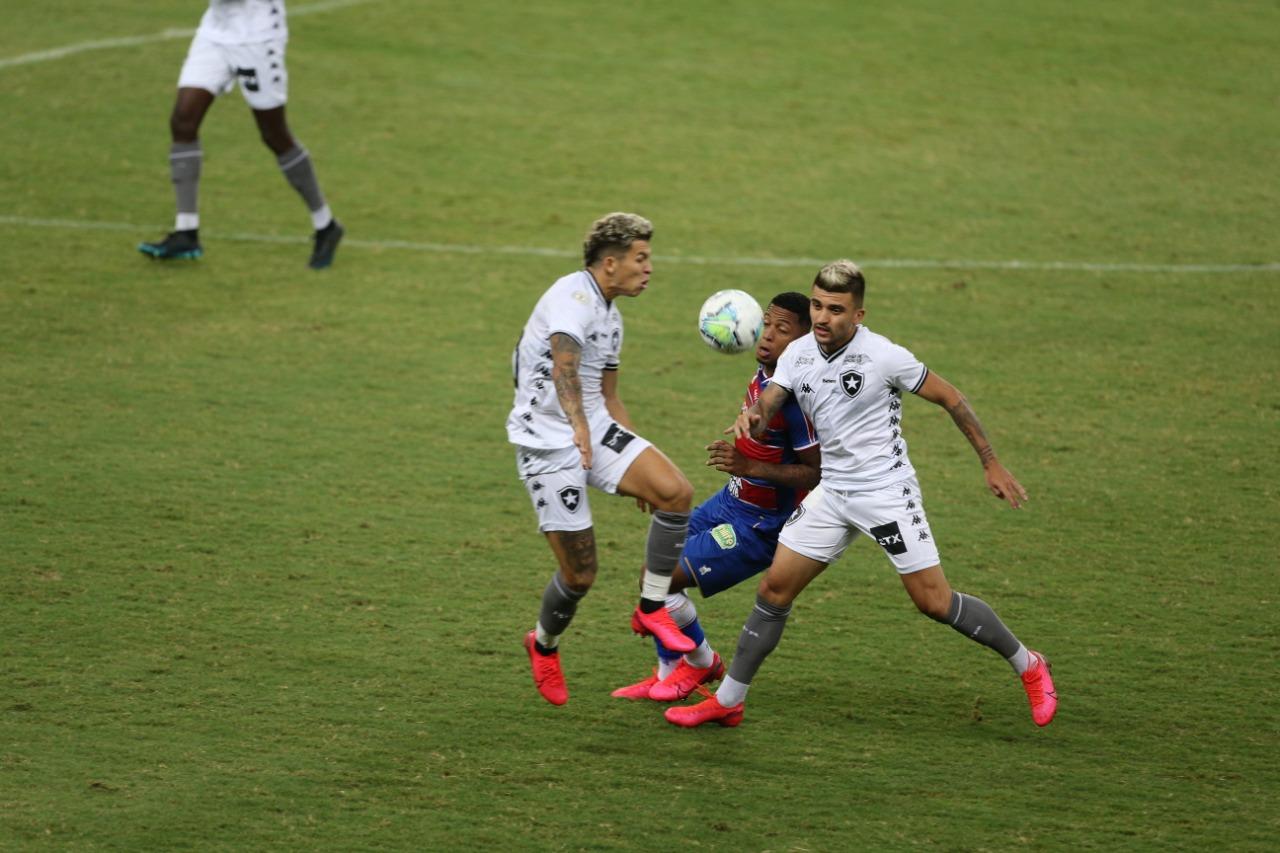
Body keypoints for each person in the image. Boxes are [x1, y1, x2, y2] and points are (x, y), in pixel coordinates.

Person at [666, 260, 1058, 729]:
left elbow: (951, 397)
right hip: (832, 493)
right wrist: (755, 418)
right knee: (774, 590)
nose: (822, 318)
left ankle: (1029, 664)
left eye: (835, 309)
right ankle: (729, 701)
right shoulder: (799, 354)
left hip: (886, 493)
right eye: (816, 306)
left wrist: (991, 460)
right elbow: (771, 403)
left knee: (934, 602)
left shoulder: (885, 356)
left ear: (859, 314)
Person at [510, 212, 697, 706]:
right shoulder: (573, 298)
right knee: (579, 576)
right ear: (610, 264)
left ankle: (652, 606)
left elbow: (609, 398)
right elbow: (563, 362)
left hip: (594, 430)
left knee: (674, 493)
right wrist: (575, 427)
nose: (649, 267)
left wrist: (638, 460)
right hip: (546, 442)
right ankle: (544, 645)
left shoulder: (611, 315)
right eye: (641, 258)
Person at [611, 292, 820, 703]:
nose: (767, 336)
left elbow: (818, 473)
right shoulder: (765, 377)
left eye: (783, 330)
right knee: (654, 569)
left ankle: (703, 664)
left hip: (758, 526)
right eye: (766, 324)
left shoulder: (794, 401)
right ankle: (672, 672)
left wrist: (751, 468)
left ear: (802, 343)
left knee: (665, 579)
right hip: (730, 501)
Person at [138, 0, 344, 269]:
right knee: (183, 122)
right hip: (216, 31)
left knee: (274, 134)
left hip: (257, 38)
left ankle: (326, 225)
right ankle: (186, 232)